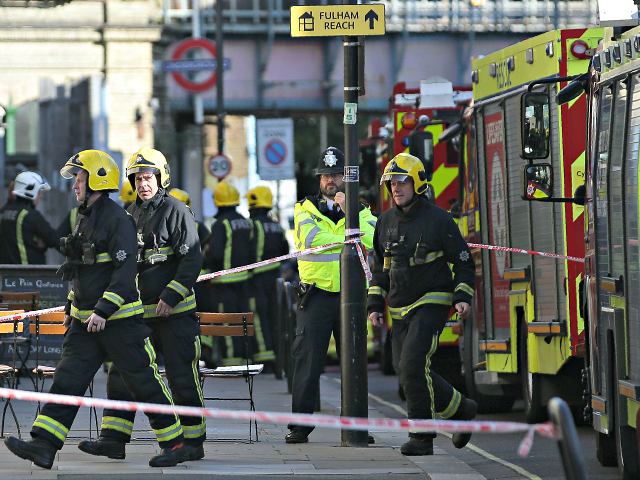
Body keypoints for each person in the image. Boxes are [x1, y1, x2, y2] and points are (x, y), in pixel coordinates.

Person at [3, 150, 189, 469]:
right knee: (67, 379)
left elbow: (123, 272)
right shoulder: (84, 215)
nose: (75, 184)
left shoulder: (119, 219)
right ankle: (44, 445)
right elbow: (80, 266)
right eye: (75, 178)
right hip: (85, 322)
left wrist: (103, 310)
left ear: (98, 180)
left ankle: (175, 444)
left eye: (79, 178)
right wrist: (70, 305)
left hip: (119, 323)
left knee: (142, 382)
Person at [77, 148, 206, 461]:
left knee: (181, 377)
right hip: (137, 316)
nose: (142, 183)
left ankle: (192, 443)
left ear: (160, 178)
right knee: (122, 374)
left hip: (175, 315)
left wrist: (171, 295)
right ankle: (113, 439)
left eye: (148, 177)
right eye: (137, 178)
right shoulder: (127, 213)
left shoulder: (176, 209)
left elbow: (192, 259)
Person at [367, 153, 477, 456]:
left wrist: (462, 297)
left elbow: (465, 264)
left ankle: (422, 436)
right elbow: (381, 268)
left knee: (413, 364)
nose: (395, 187)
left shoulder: (439, 220)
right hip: (399, 308)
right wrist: (375, 303)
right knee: (407, 371)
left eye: (402, 181)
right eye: (391, 182)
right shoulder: (385, 222)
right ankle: (461, 410)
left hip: (432, 301)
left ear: (418, 183)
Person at [286, 146, 376, 444]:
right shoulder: (305, 208)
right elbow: (313, 240)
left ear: (345, 179)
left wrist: (349, 211)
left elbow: (373, 239)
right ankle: (300, 426)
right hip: (316, 295)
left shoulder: (361, 209)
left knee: (354, 363)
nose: (330, 181)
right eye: (325, 176)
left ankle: (356, 427)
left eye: (336, 175)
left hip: (351, 296)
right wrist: (349, 238)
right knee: (308, 362)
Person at [203, 180, 254, 366]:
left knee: (226, 322)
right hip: (245, 282)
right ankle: (242, 358)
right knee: (241, 322)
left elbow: (215, 253)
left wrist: (205, 258)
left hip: (224, 283)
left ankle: (231, 361)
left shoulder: (221, 224)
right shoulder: (245, 222)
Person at [169, 187, 217, 368]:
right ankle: (205, 350)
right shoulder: (199, 227)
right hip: (200, 282)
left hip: (174, 283)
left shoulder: (165, 227)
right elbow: (208, 252)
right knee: (202, 315)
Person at [246, 185, 290, 370]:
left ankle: (265, 359)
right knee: (276, 318)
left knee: (259, 317)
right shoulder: (276, 226)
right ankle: (278, 357)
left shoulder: (253, 225)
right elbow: (285, 251)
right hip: (275, 278)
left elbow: (247, 252)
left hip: (256, 280)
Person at [0, 171, 58, 264]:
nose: (41, 196)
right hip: (28, 275)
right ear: (30, 190)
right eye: (39, 192)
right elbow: (54, 239)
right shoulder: (29, 215)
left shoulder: (4, 212)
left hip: (5, 274)